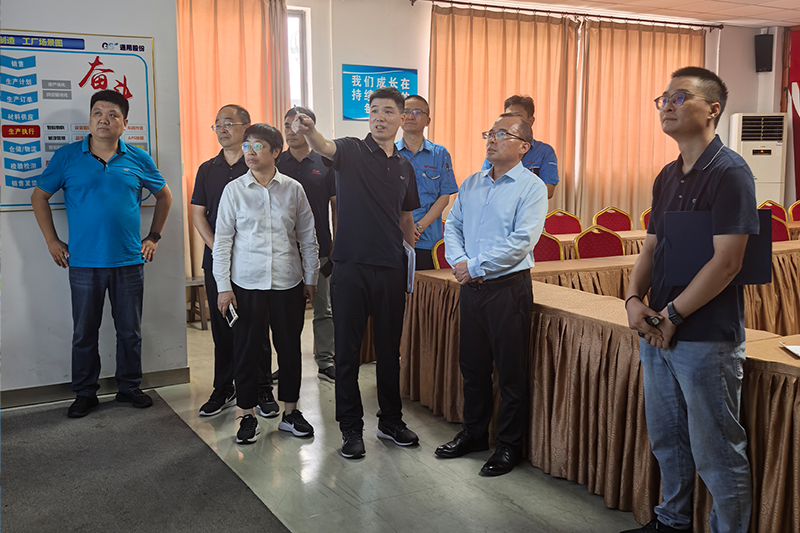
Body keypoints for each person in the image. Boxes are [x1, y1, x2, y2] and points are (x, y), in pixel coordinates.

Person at [622, 67, 756, 533]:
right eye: (664, 98)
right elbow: (651, 247)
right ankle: (671, 522)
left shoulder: (730, 172)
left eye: (680, 97)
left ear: (713, 109)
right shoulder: (667, 175)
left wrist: (673, 315)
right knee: (668, 441)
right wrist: (633, 299)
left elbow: (728, 262)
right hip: (658, 329)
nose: (667, 105)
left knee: (717, 452)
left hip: (705, 338)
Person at [293, 87, 420, 459]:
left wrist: (408, 259)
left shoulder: (405, 167)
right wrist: (309, 130)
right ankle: (350, 428)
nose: (380, 117)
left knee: (389, 351)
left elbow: (406, 218)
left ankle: (390, 421)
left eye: (388, 111)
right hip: (350, 268)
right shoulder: (350, 150)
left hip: (391, 269)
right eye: (374, 110)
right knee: (347, 353)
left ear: (402, 119)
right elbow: (323, 145)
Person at [31, 89, 173, 418]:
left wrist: (154, 236)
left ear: (125, 124)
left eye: (112, 115)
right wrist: (52, 241)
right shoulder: (68, 157)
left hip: (129, 260)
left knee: (130, 331)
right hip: (83, 262)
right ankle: (85, 392)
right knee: (84, 332)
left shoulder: (139, 158)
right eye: (98, 113)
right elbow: (39, 197)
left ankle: (129, 387)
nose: (104, 120)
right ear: (90, 119)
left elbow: (164, 196)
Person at [436, 113, 547, 476]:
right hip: (472, 289)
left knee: (510, 372)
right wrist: (460, 262)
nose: (492, 139)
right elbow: (453, 225)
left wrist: (475, 265)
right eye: (490, 133)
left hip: (507, 290)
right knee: (473, 367)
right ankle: (474, 434)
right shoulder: (472, 183)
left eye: (502, 134)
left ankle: (509, 445)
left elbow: (522, 242)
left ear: (524, 146)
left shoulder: (531, 187)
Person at [213, 123, 319, 444]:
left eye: (257, 146)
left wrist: (311, 278)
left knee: (289, 348)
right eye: (247, 146)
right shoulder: (234, 191)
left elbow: (307, 237)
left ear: (275, 152)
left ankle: (291, 412)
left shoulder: (293, 189)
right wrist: (223, 286)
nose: (250, 152)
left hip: (288, 281)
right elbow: (222, 242)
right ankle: (246, 414)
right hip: (246, 284)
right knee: (246, 350)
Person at [192, 105, 279, 419]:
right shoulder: (207, 169)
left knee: (257, 326)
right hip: (217, 261)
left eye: (229, 123)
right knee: (223, 327)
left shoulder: (259, 164)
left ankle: (262, 387)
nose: (222, 129)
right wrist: (220, 249)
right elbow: (198, 215)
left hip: (256, 262)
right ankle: (224, 387)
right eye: (217, 124)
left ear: (247, 127)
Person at [276, 106, 337, 382]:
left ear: (310, 127)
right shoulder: (276, 163)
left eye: (298, 125)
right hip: (284, 250)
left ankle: (325, 362)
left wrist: (336, 243)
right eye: (287, 125)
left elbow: (336, 207)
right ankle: (286, 364)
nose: (291, 131)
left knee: (323, 309)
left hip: (320, 248)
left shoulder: (325, 162)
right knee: (285, 313)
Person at [396, 95, 458, 270]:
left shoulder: (439, 154)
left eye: (417, 112)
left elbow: (444, 197)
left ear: (428, 120)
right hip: (394, 237)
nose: (410, 116)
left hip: (427, 240)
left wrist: (418, 227)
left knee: (424, 286)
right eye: (406, 111)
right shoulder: (388, 153)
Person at [481, 95, 558, 198]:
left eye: (517, 116)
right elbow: (483, 185)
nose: (511, 121)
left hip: (529, 207)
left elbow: (547, 191)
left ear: (530, 121)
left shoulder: (545, 151)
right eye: (508, 117)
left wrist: (507, 194)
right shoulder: (495, 148)